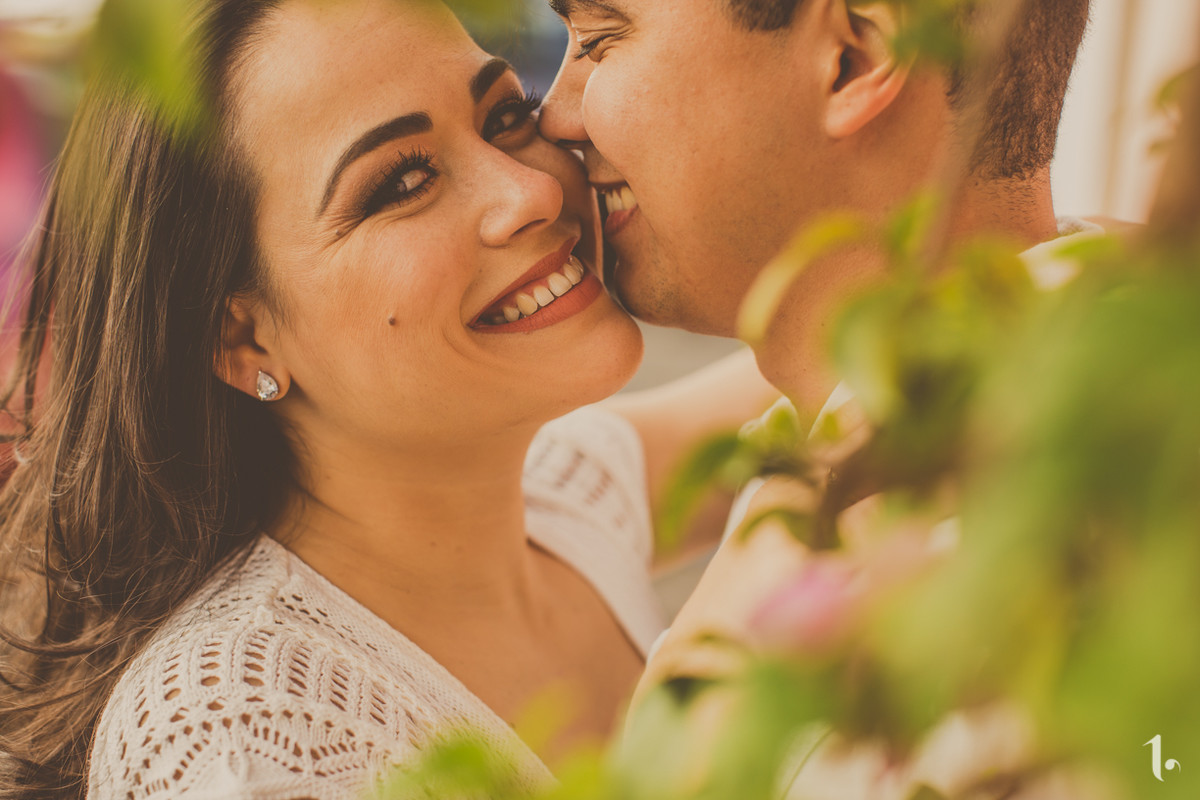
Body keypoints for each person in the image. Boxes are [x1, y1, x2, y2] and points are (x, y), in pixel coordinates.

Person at [0, 1, 779, 797]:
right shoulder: (233, 740)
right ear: (243, 338)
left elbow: (828, 370)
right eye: (403, 182)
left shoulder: (550, 506)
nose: (530, 192)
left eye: (505, 115)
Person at [537, 0, 1099, 796]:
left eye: (599, 38)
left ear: (853, 58)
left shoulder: (1011, 603)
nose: (554, 114)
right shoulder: (859, 425)